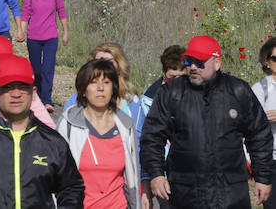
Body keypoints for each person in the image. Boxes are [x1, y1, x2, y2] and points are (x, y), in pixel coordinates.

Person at [141, 35, 273, 209]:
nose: (193, 67)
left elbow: (259, 134)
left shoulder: (238, 91)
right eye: (189, 61)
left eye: (200, 62)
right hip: (184, 192)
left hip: (230, 192)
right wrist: (157, 174)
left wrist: (262, 177)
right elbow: (152, 136)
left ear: (217, 63)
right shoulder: (171, 93)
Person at [0, 54, 85, 208]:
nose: (16, 94)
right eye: (8, 87)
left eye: (23, 87)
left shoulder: (52, 142)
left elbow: (71, 188)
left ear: (34, 92)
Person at [57, 59, 142, 209]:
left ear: (113, 88)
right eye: (94, 82)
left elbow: (133, 180)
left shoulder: (125, 125)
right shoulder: (69, 124)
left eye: (107, 82)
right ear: (83, 89)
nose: (101, 88)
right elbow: (56, 177)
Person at [64, 43, 145, 137]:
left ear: (119, 66)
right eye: (97, 62)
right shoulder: (76, 100)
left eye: (108, 62)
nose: (102, 66)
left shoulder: (131, 102)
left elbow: (138, 140)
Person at [19, 0, 68, 112]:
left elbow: (62, 13)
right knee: (36, 70)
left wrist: (66, 32)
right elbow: (25, 15)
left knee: (48, 69)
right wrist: (21, 31)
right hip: (33, 37)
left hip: (51, 37)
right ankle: (37, 95)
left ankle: (46, 100)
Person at [254, 36, 276, 209]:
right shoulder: (260, 89)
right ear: (266, 62)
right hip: (271, 160)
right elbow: (250, 123)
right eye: (275, 58)